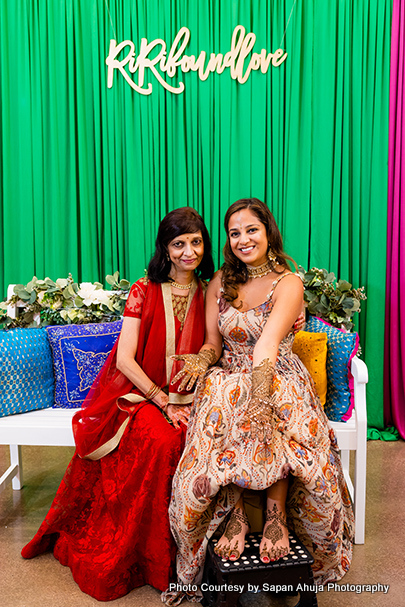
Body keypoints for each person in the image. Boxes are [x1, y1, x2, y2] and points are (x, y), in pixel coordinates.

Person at [163, 198, 354, 605]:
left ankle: (274, 516)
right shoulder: (219, 281)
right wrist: (201, 359)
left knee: (260, 405)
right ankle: (233, 514)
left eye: (252, 230)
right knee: (224, 393)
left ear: (268, 232)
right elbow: (215, 343)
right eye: (235, 233)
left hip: (278, 374)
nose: (243, 239)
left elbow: (267, 344)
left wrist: (260, 396)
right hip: (228, 375)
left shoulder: (288, 282)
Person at [21, 207, 215, 601]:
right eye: (179, 244)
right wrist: (163, 401)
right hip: (140, 397)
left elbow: (220, 336)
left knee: (202, 441)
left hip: (196, 397)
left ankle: (199, 555)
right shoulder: (144, 289)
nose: (188, 252)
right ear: (164, 248)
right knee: (165, 443)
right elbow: (125, 359)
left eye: (196, 242)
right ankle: (151, 559)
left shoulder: (209, 290)